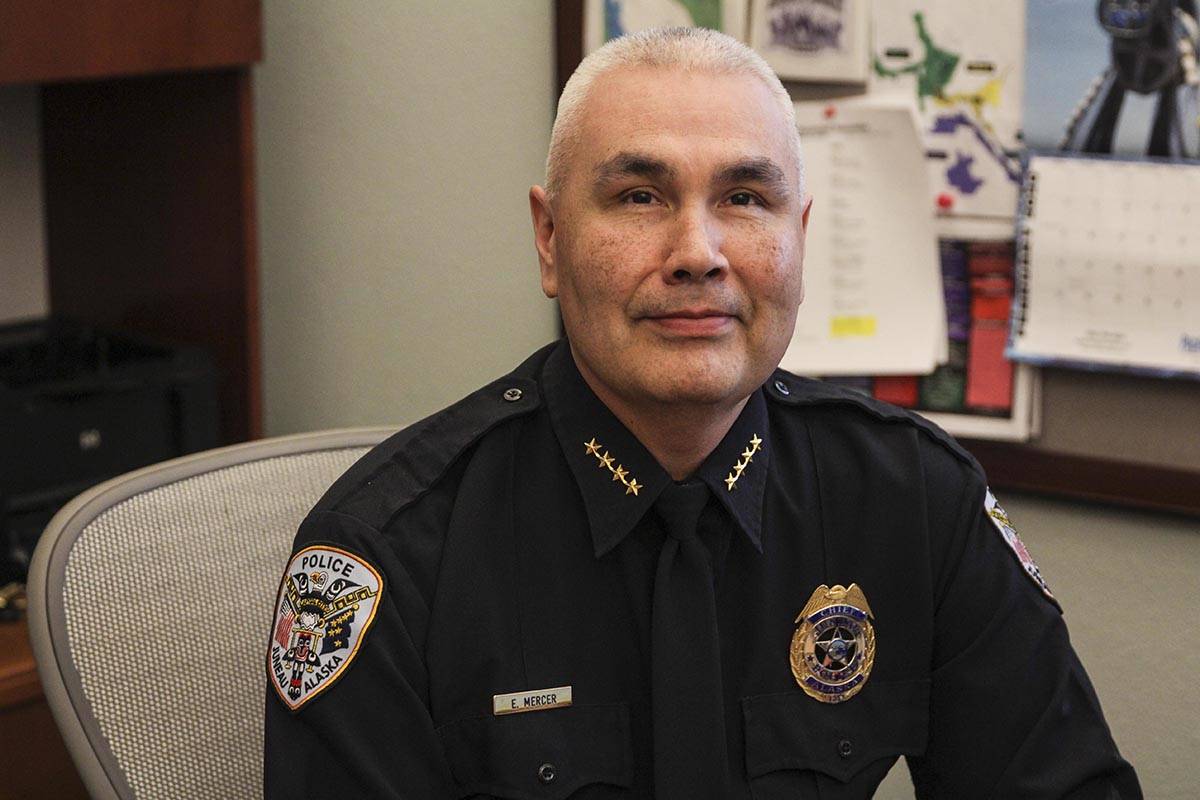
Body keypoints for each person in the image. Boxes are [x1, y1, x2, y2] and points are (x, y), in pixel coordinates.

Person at [264, 27, 1140, 799]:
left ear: (799, 237)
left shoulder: (913, 498)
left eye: (745, 199)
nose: (698, 253)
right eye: (639, 196)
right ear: (550, 239)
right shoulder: (390, 553)